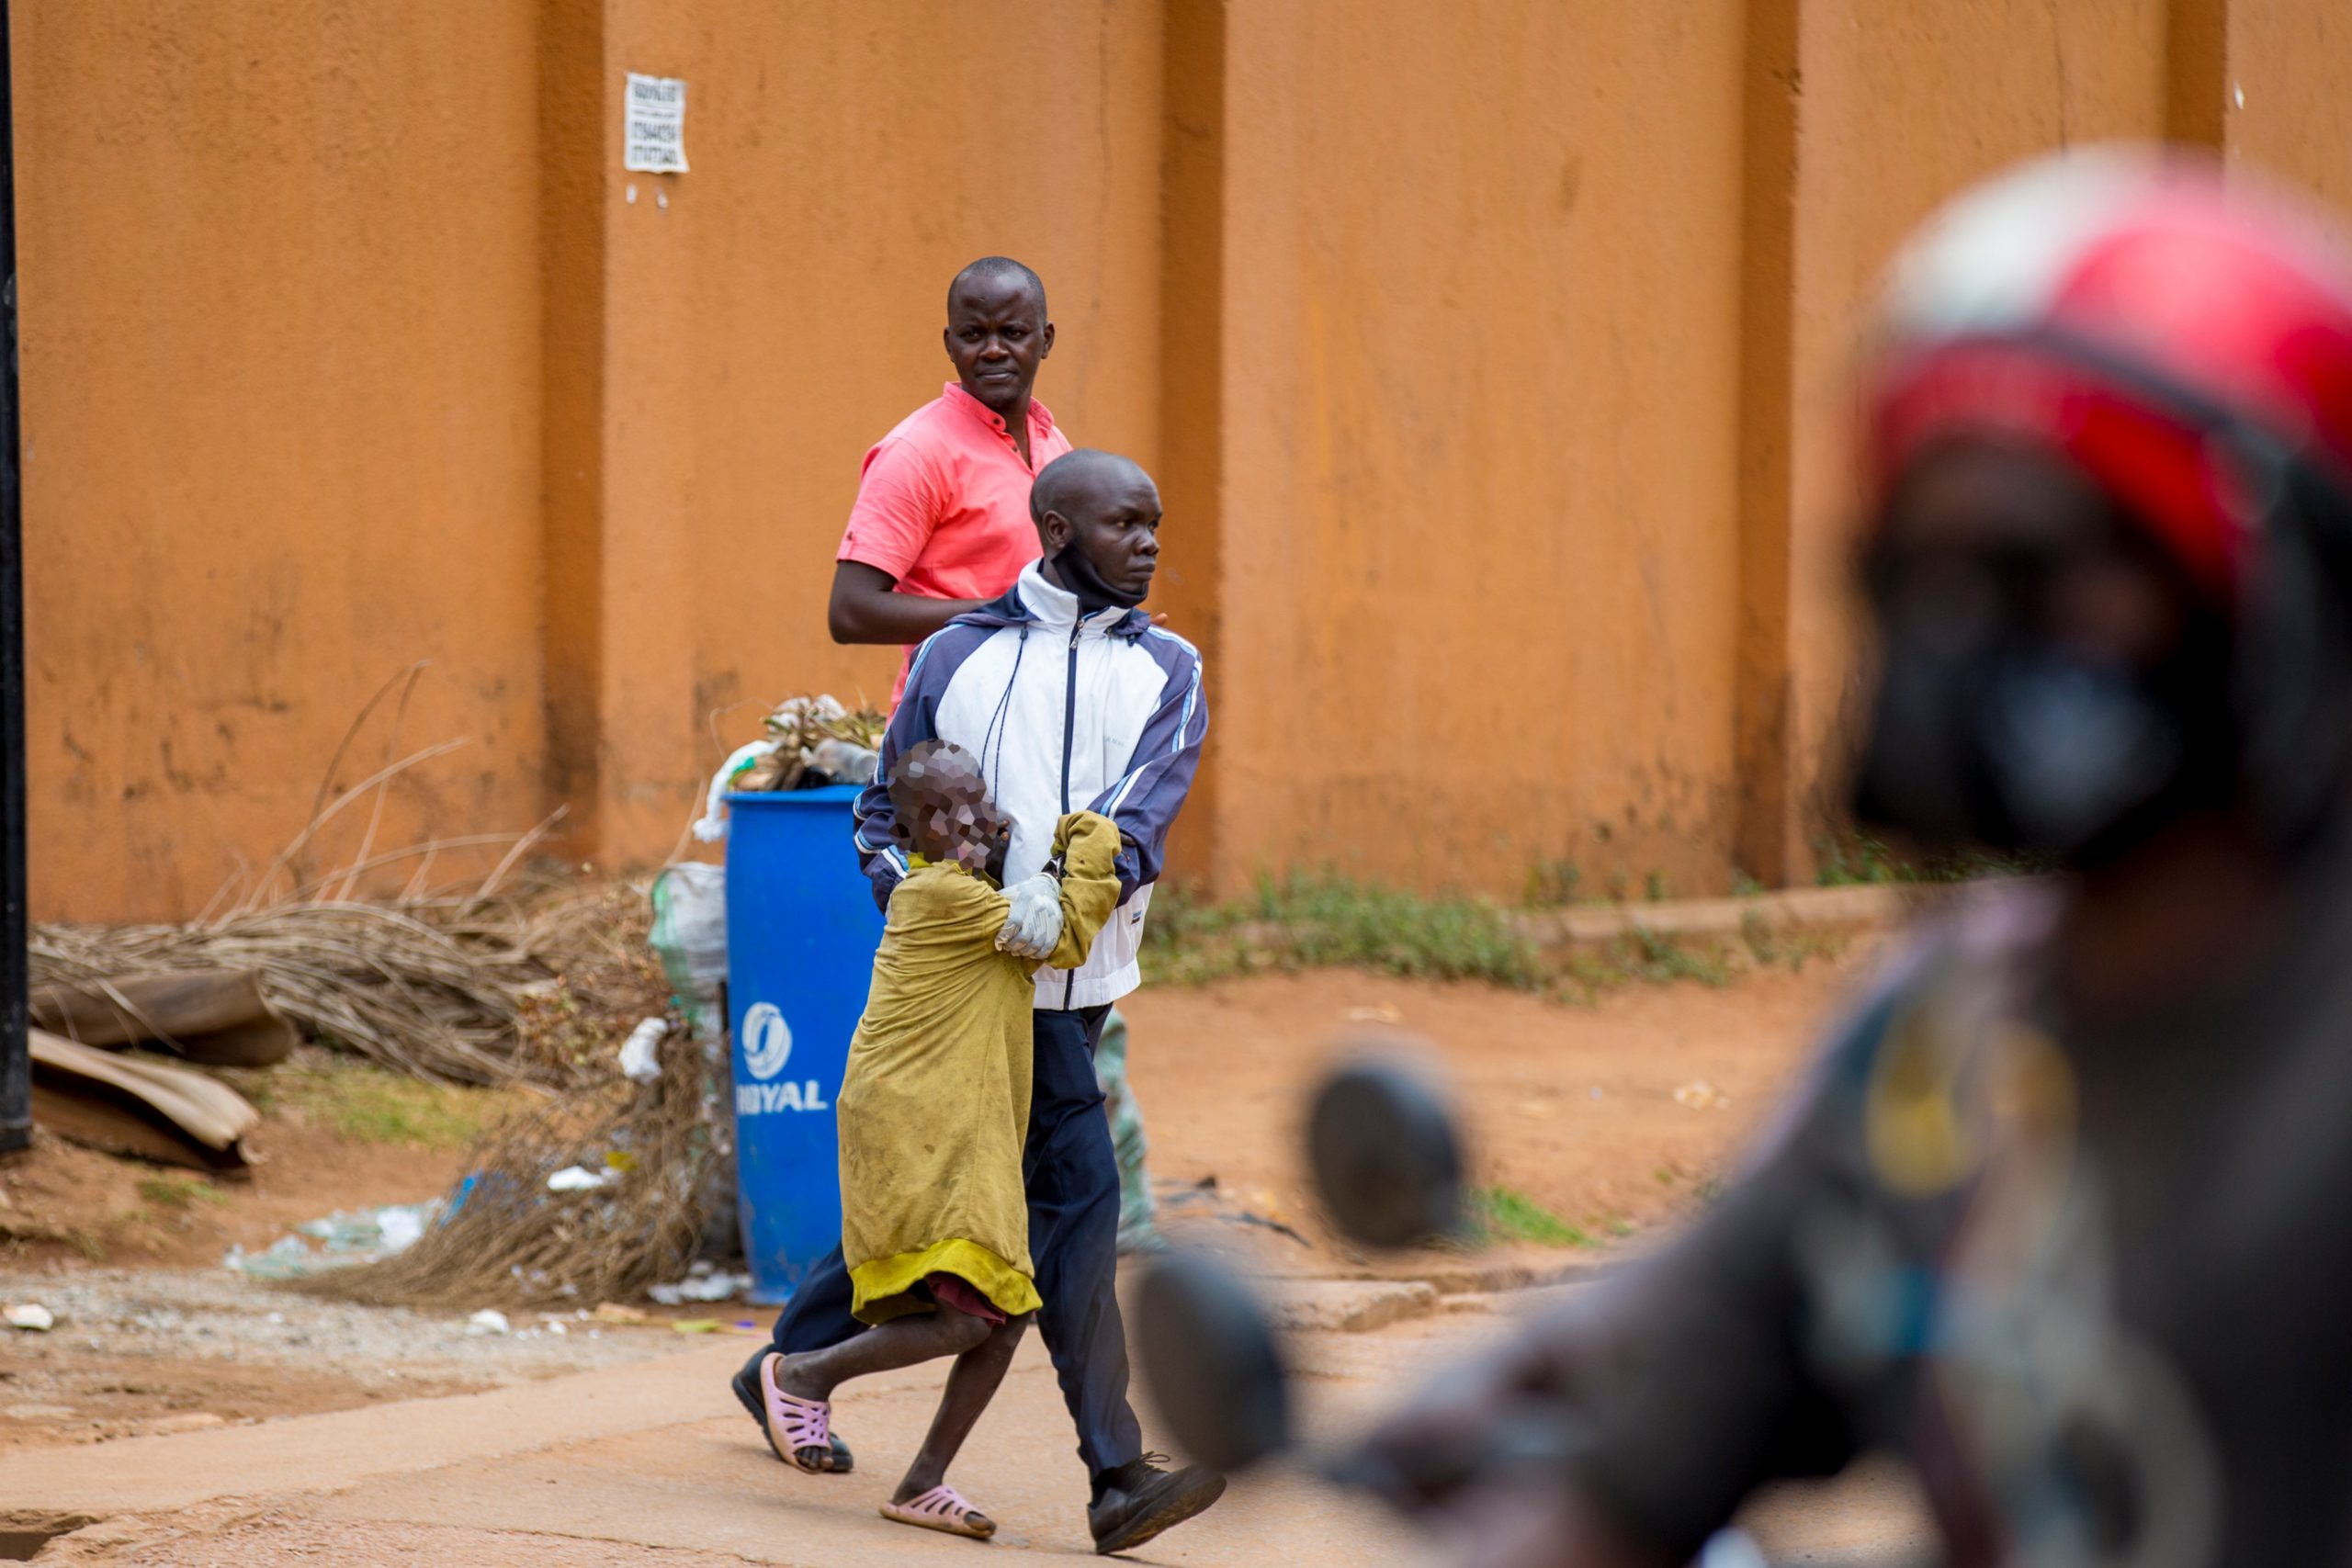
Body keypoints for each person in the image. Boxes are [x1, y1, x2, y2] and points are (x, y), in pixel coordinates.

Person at [1352, 149, 2352, 1567]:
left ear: (2272, 583)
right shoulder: (1936, 1052)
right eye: (1924, 576)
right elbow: (1642, 1457)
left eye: (2037, 565)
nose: (1969, 635)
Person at [743, 448, 1222, 1556]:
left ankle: (793, 1368)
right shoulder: (958, 653)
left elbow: (1133, 827)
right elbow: (880, 808)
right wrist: (930, 912)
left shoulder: (1171, 670)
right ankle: (1113, 1476)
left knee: (1000, 1231)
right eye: (1125, 526)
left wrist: (1053, 912)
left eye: (1155, 525)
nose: (1150, 545)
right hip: (976, 1000)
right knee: (1073, 1218)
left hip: (1075, 992)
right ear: (1056, 532)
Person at [828, 254, 1170, 1249]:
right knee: (987, 1017)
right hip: (954, 777)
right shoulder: (916, 452)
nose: (992, 349)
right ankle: (930, 1265)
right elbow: (853, 607)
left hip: (1048, 750)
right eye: (972, 332)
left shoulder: (1047, 442)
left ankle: (1021, 1242)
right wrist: (996, 618)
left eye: (1011, 333)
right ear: (947, 343)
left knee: (1061, 998)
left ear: (1044, 342)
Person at [758, 739, 1121, 1541]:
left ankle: (924, 1481)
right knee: (969, 1315)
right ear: (912, 831)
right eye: (944, 813)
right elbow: (1064, 933)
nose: (971, 822)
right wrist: (1092, 837)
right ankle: (798, 1373)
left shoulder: (969, 890)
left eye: (977, 802)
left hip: (955, 1127)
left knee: (1007, 1306)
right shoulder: (935, 899)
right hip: (913, 1128)